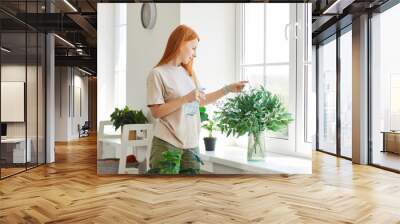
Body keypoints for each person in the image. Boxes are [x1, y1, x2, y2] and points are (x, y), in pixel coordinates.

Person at [146, 24, 247, 174]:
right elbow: (156, 112)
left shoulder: (189, 73)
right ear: (180, 44)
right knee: (166, 194)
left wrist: (228, 89)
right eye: (193, 48)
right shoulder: (157, 74)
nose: (195, 54)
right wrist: (185, 98)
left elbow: (202, 100)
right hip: (167, 144)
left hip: (192, 145)